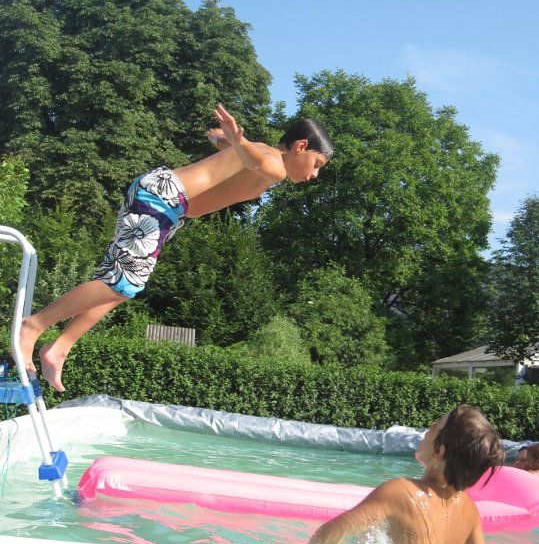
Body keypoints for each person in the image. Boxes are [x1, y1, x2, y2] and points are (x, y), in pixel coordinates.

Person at [18, 104, 333, 391]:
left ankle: (59, 348)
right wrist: (238, 141)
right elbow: (255, 160)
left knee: (125, 286)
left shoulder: (263, 153)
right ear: (300, 146)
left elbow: (241, 160)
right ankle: (33, 326)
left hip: (168, 206)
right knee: (120, 283)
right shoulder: (274, 165)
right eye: (317, 163)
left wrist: (226, 142)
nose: (315, 174)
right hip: (163, 198)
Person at [301, 405, 504, 544]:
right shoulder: (469, 510)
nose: (431, 426)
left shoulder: (399, 491)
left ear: (439, 452)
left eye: (436, 426)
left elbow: (326, 536)